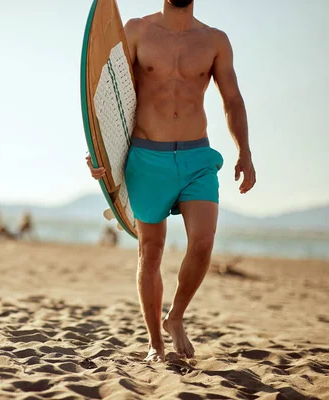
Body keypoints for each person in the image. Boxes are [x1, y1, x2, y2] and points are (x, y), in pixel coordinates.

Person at [86, 0, 256, 363]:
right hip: (147, 157)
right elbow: (106, 95)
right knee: (151, 250)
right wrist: (98, 150)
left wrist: (245, 151)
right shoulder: (136, 30)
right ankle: (154, 344)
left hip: (197, 156)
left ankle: (175, 316)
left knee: (203, 242)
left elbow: (232, 100)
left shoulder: (214, 41)